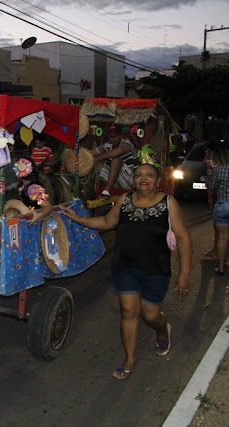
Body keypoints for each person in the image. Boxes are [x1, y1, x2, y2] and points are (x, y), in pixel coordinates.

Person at [63, 163, 192, 380]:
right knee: (129, 312)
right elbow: (107, 221)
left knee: (150, 315)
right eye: (139, 175)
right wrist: (79, 219)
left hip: (156, 270)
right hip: (125, 268)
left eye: (149, 175)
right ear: (133, 180)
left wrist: (185, 274)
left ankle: (162, 330)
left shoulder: (168, 203)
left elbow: (183, 238)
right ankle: (130, 360)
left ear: (158, 181)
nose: (144, 178)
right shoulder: (125, 200)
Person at [92, 124, 139, 200]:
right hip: (115, 180)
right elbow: (91, 153)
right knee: (94, 163)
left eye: (116, 136)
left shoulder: (127, 143)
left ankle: (106, 192)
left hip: (129, 180)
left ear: (121, 135)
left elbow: (118, 151)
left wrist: (97, 158)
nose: (113, 139)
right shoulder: (107, 145)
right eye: (111, 137)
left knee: (116, 160)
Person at [3, 157, 52, 224]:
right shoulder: (24, 186)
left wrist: (39, 215)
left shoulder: (34, 188)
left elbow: (48, 206)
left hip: (35, 222)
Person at [209, 147, 229, 275]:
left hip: (222, 205)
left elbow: (212, 187)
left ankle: (221, 268)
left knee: (222, 237)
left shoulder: (219, 170)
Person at [203, 142, 218, 215]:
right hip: (208, 178)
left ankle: (214, 208)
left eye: (209, 150)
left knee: (214, 194)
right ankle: (211, 209)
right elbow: (203, 163)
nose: (208, 152)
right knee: (210, 194)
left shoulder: (216, 157)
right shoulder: (208, 157)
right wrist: (207, 155)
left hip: (215, 177)